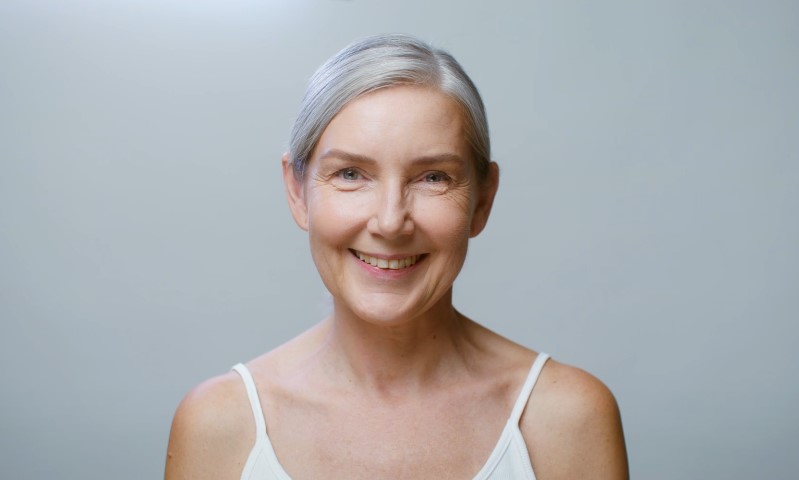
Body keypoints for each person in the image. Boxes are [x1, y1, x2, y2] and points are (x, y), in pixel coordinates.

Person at [164, 34, 628, 480]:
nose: (390, 221)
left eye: (433, 178)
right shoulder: (220, 425)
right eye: (350, 174)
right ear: (297, 191)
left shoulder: (566, 419)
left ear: (482, 200)